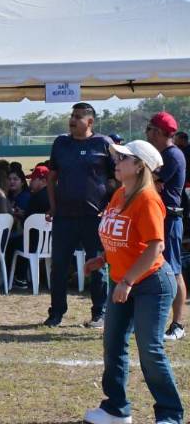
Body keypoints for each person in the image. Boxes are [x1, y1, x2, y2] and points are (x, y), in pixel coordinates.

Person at [82, 140, 184, 424]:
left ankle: (170, 415)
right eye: (118, 156)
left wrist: (127, 280)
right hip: (123, 280)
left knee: (150, 350)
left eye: (124, 157)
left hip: (151, 283)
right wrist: (103, 258)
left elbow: (155, 247)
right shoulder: (120, 195)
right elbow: (121, 235)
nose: (117, 160)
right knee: (113, 345)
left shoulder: (148, 199)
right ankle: (116, 409)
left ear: (140, 166)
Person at [45, 103, 112, 328]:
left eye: (77, 117)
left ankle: (99, 313)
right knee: (60, 266)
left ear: (90, 122)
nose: (72, 120)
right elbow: (51, 177)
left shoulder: (103, 144)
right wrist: (53, 207)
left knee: (98, 267)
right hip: (65, 217)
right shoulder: (61, 143)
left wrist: (110, 208)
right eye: (71, 116)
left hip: (95, 218)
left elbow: (117, 179)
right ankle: (56, 313)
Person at [146, 112, 187, 341]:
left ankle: (178, 324)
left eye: (150, 129)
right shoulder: (164, 154)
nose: (148, 134)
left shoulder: (172, 155)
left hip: (169, 220)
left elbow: (152, 183)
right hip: (160, 218)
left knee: (173, 270)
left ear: (160, 132)